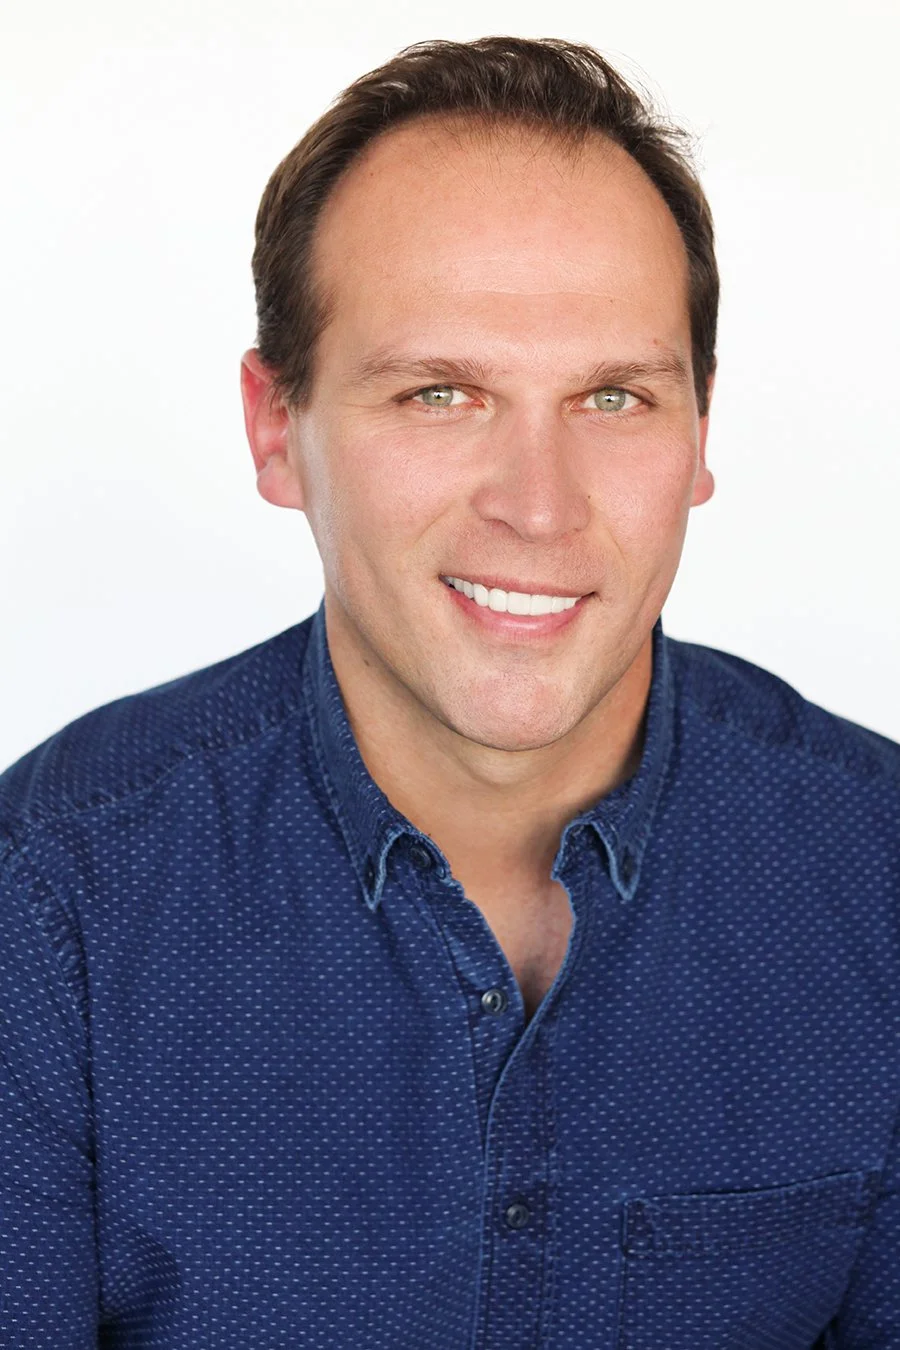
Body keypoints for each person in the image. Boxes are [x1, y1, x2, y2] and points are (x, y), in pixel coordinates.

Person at [0, 33, 897, 1349]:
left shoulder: (875, 874)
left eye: (611, 394)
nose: (537, 506)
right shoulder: (48, 907)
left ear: (701, 431)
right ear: (275, 428)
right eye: (439, 392)